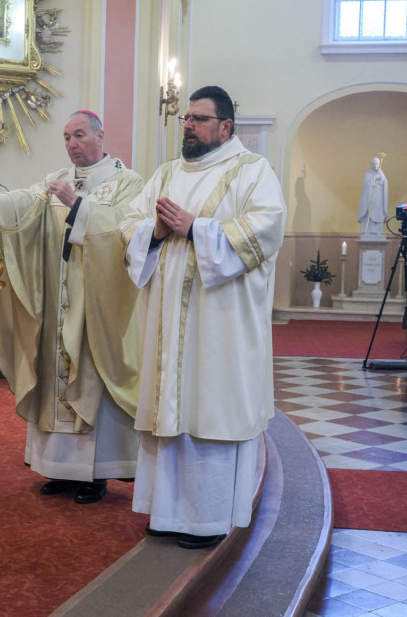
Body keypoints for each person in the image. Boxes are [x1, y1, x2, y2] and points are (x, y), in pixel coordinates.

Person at [119, 86, 286, 548]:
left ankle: (206, 519)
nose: (188, 126)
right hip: (166, 324)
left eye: (199, 118)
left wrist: (196, 228)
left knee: (210, 408)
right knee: (169, 412)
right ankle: (166, 512)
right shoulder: (167, 173)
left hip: (220, 324)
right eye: (186, 118)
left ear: (226, 127)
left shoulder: (252, 171)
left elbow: (266, 228)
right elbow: (128, 225)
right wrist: (153, 232)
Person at [0, 110, 143, 504]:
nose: (72, 144)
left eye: (79, 135)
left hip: (97, 308)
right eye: (66, 137)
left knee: (90, 375)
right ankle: (60, 469)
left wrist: (78, 206)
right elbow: (27, 202)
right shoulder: (58, 179)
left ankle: (95, 474)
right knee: (54, 375)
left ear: (100, 135)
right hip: (57, 302)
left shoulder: (127, 182)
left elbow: (124, 229)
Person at [358, 156, 388, 239]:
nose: (375, 166)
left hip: (378, 198)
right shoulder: (367, 173)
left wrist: (381, 177)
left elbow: (384, 183)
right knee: (369, 213)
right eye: (374, 164)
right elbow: (366, 185)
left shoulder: (381, 173)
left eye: (377, 164)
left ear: (379, 164)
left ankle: (377, 231)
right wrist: (374, 178)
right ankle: (367, 231)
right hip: (369, 198)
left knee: (377, 213)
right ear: (371, 165)